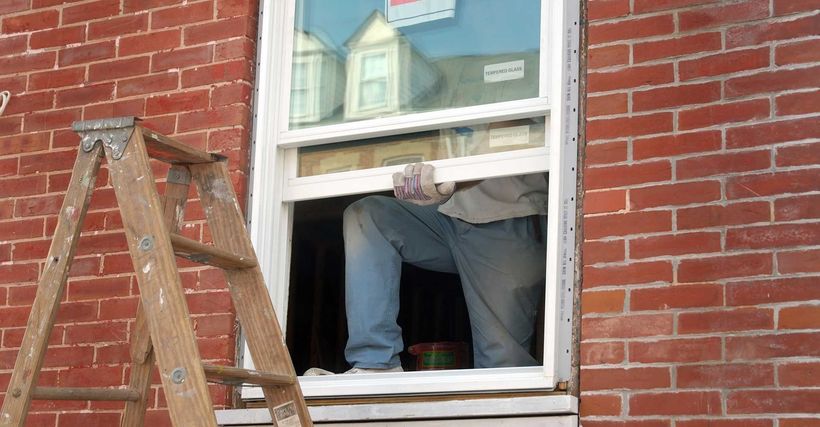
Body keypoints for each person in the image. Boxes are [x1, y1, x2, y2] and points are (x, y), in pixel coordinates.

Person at [306, 163, 548, 375]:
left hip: (510, 216)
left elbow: (503, 142)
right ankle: (375, 363)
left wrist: (452, 181)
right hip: (448, 213)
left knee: (503, 367)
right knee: (369, 215)